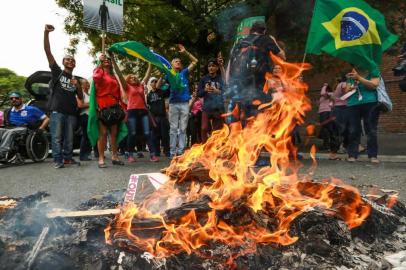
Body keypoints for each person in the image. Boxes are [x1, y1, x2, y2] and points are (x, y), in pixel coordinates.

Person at [228, 21, 286, 124]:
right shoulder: (266, 39)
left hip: (243, 84)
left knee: (245, 114)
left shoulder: (241, 42)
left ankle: (245, 136)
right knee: (261, 113)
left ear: (251, 30)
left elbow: (232, 62)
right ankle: (258, 137)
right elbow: (283, 56)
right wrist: (273, 40)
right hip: (260, 84)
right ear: (264, 31)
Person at [43, 24, 83, 169]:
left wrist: (77, 85)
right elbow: (48, 52)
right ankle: (58, 160)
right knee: (57, 137)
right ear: (63, 62)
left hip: (71, 112)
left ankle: (68, 158)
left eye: (72, 60)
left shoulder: (75, 79)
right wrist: (46, 33)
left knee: (69, 139)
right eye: (67, 59)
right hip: (57, 111)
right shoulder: (57, 72)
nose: (70, 61)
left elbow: (80, 97)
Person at [113, 60, 159, 163]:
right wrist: (113, 62)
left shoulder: (141, 85)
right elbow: (119, 74)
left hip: (143, 111)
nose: (133, 78)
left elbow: (148, 73)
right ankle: (130, 154)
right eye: (131, 77)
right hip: (132, 112)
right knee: (132, 133)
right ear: (127, 81)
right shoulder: (127, 87)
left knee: (147, 133)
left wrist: (150, 60)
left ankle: (152, 155)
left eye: (134, 77)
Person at [92, 53, 126, 168]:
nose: (106, 60)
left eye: (108, 60)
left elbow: (118, 93)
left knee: (114, 134)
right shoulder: (99, 73)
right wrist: (98, 63)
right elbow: (96, 78)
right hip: (102, 105)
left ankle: (115, 156)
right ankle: (101, 158)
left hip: (114, 105)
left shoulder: (113, 76)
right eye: (104, 59)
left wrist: (121, 105)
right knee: (103, 133)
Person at [345, 67, 381, 163]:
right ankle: (352, 155)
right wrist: (351, 86)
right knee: (353, 129)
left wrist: (359, 78)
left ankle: (373, 155)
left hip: (370, 102)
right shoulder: (352, 72)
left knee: (371, 129)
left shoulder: (373, 70)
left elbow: (374, 85)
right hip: (353, 103)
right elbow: (346, 90)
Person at [168, 44, 198, 157]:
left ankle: (180, 151)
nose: (178, 62)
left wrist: (185, 52)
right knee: (173, 128)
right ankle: (172, 151)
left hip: (185, 103)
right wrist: (164, 72)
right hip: (173, 104)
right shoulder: (169, 74)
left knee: (183, 128)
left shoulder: (184, 73)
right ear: (171, 64)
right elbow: (160, 84)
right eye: (175, 61)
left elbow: (195, 61)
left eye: (179, 61)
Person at [0, 92, 49, 160]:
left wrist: (41, 128)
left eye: (16, 98)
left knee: (10, 132)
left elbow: (46, 119)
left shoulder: (31, 109)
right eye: (11, 99)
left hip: (26, 128)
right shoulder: (9, 111)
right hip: (11, 127)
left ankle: (2, 153)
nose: (14, 100)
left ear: (21, 99)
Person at [198, 58, 225, 143]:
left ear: (217, 68)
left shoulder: (221, 78)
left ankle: (214, 148)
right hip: (207, 108)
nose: (211, 68)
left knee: (217, 131)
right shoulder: (203, 79)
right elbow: (199, 94)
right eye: (209, 66)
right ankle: (205, 146)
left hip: (218, 108)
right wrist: (205, 90)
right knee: (204, 128)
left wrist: (218, 91)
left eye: (213, 66)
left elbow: (227, 92)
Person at [146, 76, 170, 157]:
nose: (154, 83)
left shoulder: (161, 92)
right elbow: (148, 107)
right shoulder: (148, 95)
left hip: (162, 117)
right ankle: (157, 151)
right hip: (154, 118)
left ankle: (167, 151)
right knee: (155, 135)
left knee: (165, 135)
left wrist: (166, 78)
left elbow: (168, 88)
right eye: (153, 81)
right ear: (150, 83)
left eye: (156, 81)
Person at [318, 83, 340, 160]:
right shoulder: (325, 96)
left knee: (329, 130)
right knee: (325, 129)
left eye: (325, 88)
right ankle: (326, 145)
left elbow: (323, 93)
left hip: (327, 113)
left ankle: (331, 146)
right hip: (323, 113)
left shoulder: (330, 94)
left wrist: (324, 85)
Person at [76, 78, 95, 161]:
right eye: (86, 83)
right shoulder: (80, 94)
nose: (88, 84)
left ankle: (87, 154)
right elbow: (80, 105)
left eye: (88, 83)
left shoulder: (90, 94)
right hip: (84, 116)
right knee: (85, 136)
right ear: (81, 85)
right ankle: (82, 155)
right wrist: (92, 104)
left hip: (91, 116)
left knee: (90, 135)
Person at [332, 75, 349, 153]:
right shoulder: (343, 84)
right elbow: (347, 91)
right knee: (344, 128)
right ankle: (342, 146)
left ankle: (338, 147)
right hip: (343, 108)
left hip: (337, 108)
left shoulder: (336, 86)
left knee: (339, 128)